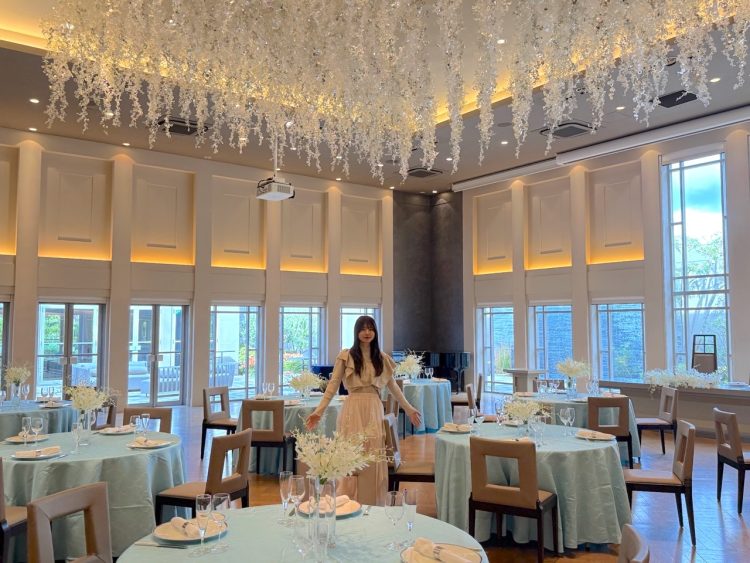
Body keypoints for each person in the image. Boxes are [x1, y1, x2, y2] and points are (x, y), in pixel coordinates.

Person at [305, 315, 422, 506]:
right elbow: (333, 385)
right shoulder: (346, 356)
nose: (367, 332)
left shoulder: (381, 358)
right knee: (350, 454)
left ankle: (372, 502)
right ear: (356, 332)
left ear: (375, 332)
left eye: (371, 329)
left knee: (373, 454)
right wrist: (319, 411)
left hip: (374, 407)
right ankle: (347, 502)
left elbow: (393, 387)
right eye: (363, 329)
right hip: (353, 407)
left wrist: (409, 409)